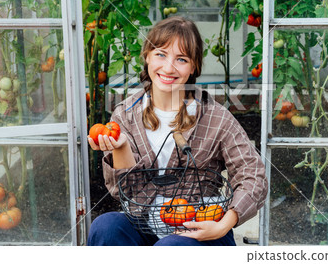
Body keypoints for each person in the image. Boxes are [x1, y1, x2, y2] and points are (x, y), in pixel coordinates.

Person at [87, 16, 268, 246]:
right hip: (146, 224)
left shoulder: (215, 117)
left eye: (181, 59)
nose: (169, 67)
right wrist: (121, 147)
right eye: (160, 54)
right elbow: (124, 192)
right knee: (106, 228)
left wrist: (223, 224)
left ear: (194, 67)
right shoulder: (125, 115)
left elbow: (253, 176)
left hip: (203, 232)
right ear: (147, 57)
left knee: (169, 248)